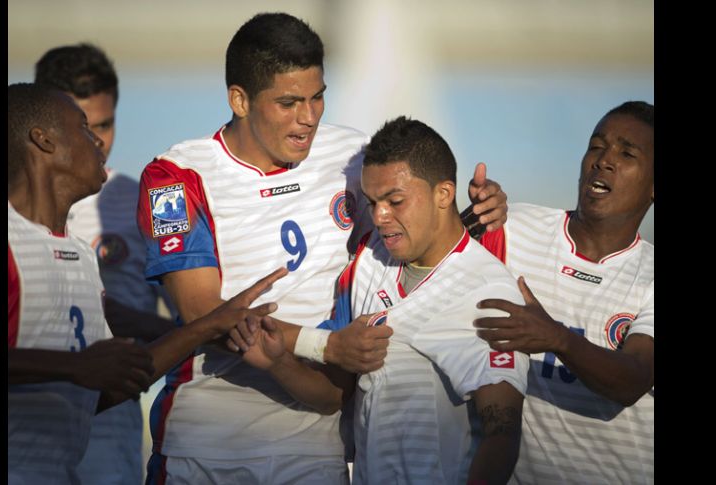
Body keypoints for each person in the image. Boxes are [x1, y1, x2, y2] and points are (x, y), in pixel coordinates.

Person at [136, 12, 509, 484]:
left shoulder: (352, 156)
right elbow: (201, 313)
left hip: (315, 446)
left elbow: (423, 221)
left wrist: (477, 211)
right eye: (289, 103)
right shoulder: (174, 177)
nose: (308, 118)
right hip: (206, 446)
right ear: (240, 99)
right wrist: (325, 345)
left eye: (317, 98)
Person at [8, 82, 286, 485]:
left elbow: (105, 386)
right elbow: (83, 370)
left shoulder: (82, 257)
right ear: (43, 140)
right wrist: (75, 366)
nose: (99, 143)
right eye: (84, 128)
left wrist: (209, 324)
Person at [238, 116, 529, 484]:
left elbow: (502, 435)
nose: (379, 216)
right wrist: (279, 363)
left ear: (444, 194)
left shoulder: (487, 290)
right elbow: (334, 394)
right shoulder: (370, 261)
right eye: (373, 202)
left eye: (395, 200)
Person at [473, 101, 654, 483]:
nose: (604, 160)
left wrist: (556, 338)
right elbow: (434, 272)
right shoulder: (515, 227)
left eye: (626, 153)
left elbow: (634, 379)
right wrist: (468, 221)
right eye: (596, 146)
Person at [35, 42, 176, 485]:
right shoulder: (16, 206)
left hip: (111, 428)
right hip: (29, 424)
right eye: (82, 126)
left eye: (106, 124)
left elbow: (186, 319)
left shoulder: (146, 200)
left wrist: (125, 321)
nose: (97, 141)